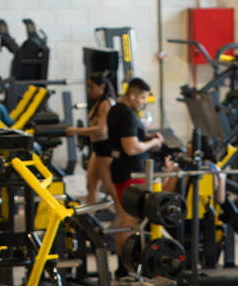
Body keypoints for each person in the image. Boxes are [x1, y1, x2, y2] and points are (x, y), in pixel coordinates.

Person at [104, 76, 165, 257]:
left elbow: (127, 138)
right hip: (131, 172)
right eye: (143, 97)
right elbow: (131, 148)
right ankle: (125, 264)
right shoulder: (128, 115)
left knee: (124, 216)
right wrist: (153, 143)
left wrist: (145, 137)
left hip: (121, 168)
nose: (145, 102)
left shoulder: (115, 109)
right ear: (132, 96)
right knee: (128, 218)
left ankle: (124, 264)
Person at [65, 72, 115, 206]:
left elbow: (101, 129)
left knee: (110, 188)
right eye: (88, 87)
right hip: (97, 149)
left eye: (91, 87)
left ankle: (123, 214)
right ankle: (90, 215)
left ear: (102, 87)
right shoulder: (99, 103)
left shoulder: (105, 104)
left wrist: (75, 131)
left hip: (105, 150)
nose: (89, 90)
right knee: (91, 186)